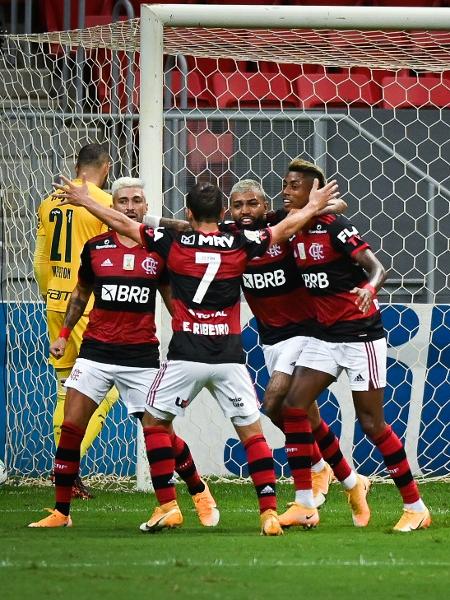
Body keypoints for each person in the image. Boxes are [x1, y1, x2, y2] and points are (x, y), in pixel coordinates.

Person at [51, 175, 340, 535]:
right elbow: (283, 230)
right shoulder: (239, 241)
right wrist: (313, 206)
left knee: (155, 426)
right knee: (253, 434)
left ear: (188, 213)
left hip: (186, 353)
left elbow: (125, 224)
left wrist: (86, 200)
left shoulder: (171, 242)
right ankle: (268, 513)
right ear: (223, 212)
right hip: (228, 356)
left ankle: (169, 506)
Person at [29, 178, 218, 528]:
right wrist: (65, 334)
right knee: (71, 426)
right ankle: (61, 513)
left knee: (161, 435)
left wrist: (188, 335)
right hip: (95, 352)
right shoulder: (96, 247)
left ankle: (197, 489)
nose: (129, 206)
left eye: (136, 200)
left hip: (141, 356)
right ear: (112, 206)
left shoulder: (159, 250)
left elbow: (171, 299)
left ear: (146, 208)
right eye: (123, 201)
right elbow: (81, 293)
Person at [278, 157, 431, 532]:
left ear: (313, 192)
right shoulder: (290, 227)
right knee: (294, 406)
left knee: (372, 423)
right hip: (323, 336)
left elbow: (377, 267)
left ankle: (416, 506)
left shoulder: (335, 228)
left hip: (360, 336)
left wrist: (369, 287)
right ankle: (304, 504)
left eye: (295, 185)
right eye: (285, 183)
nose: (286, 190)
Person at [229, 178, 366, 519]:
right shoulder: (230, 236)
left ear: (265, 205)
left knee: (274, 400)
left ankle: (311, 485)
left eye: (252, 204)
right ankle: (348, 479)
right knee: (299, 414)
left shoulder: (282, 222)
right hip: (271, 339)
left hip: (306, 330)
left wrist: (324, 204)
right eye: (238, 205)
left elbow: (334, 210)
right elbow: (189, 227)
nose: (246, 211)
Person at [33, 143, 119, 498]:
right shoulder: (102, 203)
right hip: (88, 304)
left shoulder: (49, 201)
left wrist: (50, 294)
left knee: (65, 387)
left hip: (56, 302)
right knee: (108, 386)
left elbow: (40, 261)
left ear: (75, 165)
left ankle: (65, 469)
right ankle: (66, 462)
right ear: (107, 167)